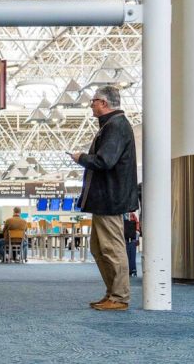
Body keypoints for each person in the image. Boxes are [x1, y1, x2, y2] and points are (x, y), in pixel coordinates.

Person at [71, 85, 138, 311]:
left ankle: (120, 297)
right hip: (104, 199)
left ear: (104, 103)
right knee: (99, 248)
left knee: (112, 248)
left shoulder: (116, 126)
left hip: (110, 199)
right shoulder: (111, 126)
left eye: (93, 101)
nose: (91, 105)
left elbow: (104, 161)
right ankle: (112, 293)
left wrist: (81, 157)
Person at [124, 211, 140, 277]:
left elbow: (137, 229)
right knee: (131, 256)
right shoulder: (133, 216)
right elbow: (137, 230)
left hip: (128, 240)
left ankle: (131, 270)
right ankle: (132, 270)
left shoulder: (123, 216)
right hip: (131, 239)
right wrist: (137, 239)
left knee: (128, 256)